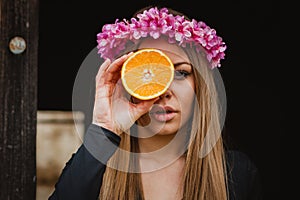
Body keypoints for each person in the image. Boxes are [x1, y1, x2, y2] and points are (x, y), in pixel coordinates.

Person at [49, 6, 262, 200]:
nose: (164, 91)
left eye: (180, 73)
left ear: (200, 87)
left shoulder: (236, 174)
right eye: (147, 72)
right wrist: (104, 128)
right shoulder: (95, 170)